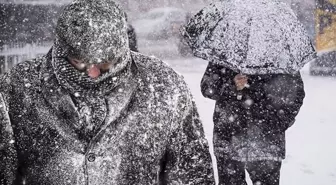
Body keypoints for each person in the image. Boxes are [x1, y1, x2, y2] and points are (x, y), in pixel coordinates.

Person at [0, 0, 215, 184]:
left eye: (104, 63)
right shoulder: (17, 89)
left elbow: (192, 172)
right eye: (79, 62)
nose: (93, 73)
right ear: (62, 49)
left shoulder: (164, 86)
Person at [201, 63, 305, 185]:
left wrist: (278, 123)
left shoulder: (280, 55)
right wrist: (232, 84)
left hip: (267, 141)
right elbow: (207, 87)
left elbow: (296, 94)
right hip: (229, 138)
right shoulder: (225, 52)